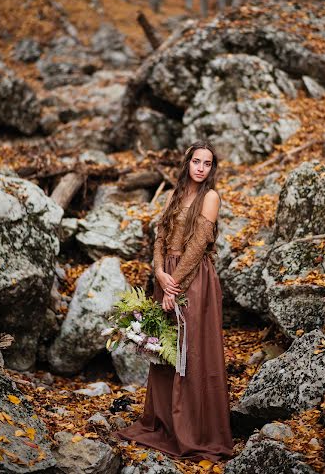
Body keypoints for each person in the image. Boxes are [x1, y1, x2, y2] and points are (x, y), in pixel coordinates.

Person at [114, 140, 233, 463]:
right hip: (166, 276)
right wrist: (157, 272)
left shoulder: (210, 197)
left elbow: (196, 246)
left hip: (192, 282)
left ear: (212, 169)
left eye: (207, 163)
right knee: (163, 351)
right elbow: (160, 238)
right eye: (196, 161)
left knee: (190, 350)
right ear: (187, 163)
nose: (201, 168)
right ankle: (165, 421)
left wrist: (174, 287)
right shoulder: (174, 195)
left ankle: (193, 428)